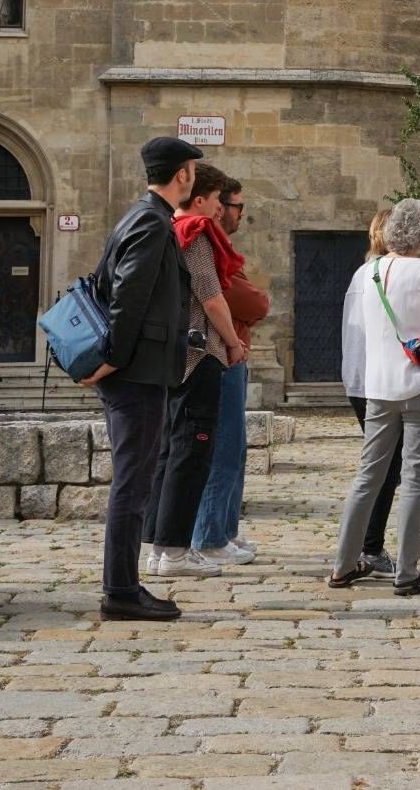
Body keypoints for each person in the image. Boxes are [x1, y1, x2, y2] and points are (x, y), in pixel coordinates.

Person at [83, 135, 199, 622]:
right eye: (192, 169)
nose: (194, 176)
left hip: (138, 370)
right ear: (182, 176)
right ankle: (121, 592)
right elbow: (126, 297)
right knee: (132, 485)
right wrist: (111, 357)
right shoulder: (152, 223)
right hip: (135, 376)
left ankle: (124, 587)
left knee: (134, 482)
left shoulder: (140, 216)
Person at [330, 199, 420, 596]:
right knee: (416, 479)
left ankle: (343, 565)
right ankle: (408, 571)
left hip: (378, 386)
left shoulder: (368, 272)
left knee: (368, 475)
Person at [143, 162, 244, 579]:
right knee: (191, 452)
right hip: (198, 356)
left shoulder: (164, 228)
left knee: (169, 453)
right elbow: (211, 297)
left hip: (169, 358)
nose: (221, 209)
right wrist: (234, 342)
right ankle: (175, 553)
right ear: (201, 199)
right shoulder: (196, 235)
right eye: (220, 200)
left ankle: (157, 547)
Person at [190, 176, 270, 564]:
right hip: (220, 357)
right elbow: (249, 301)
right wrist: (238, 337)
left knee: (234, 448)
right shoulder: (204, 244)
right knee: (224, 448)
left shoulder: (218, 247)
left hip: (230, 354)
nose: (240, 213)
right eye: (237, 205)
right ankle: (209, 536)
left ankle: (223, 531)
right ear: (216, 205)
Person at [340, 206, 404, 579]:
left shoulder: (363, 274)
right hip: (379, 381)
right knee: (383, 467)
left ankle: (365, 545)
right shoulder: (385, 275)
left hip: (361, 380)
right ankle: (368, 546)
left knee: (383, 465)